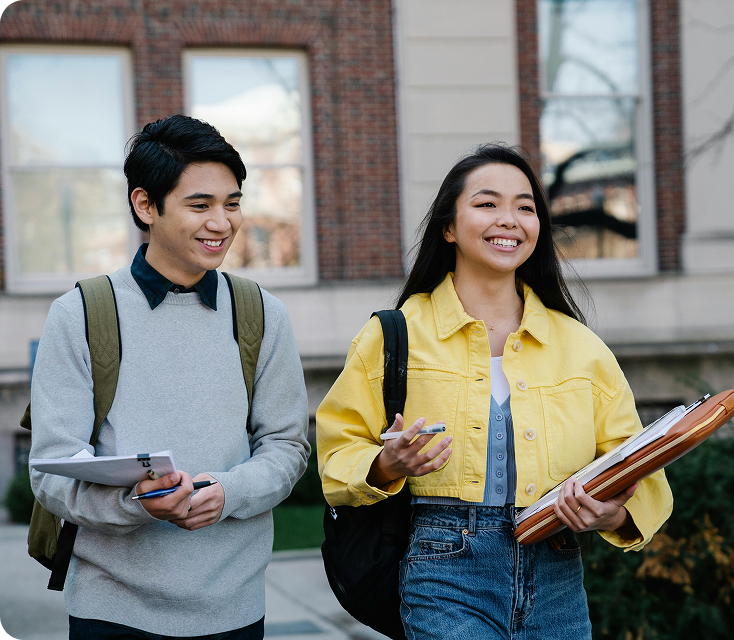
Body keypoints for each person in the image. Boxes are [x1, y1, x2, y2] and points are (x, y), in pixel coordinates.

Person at [316, 144, 672, 639]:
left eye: (525, 207)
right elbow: (337, 453)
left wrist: (612, 513)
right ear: (448, 227)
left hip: (558, 574)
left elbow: (642, 468)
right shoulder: (393, 336)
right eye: (487, 204)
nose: (509, 220)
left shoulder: (581, 347)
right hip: (443, 572)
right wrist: (386, 464)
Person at [29, 115, 310, 639]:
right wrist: (137, 501)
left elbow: (287, 446)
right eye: (200, 205)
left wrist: (226, 492)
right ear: (145, 205)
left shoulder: (262, 313)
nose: (222, 223)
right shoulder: (81, 313)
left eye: (232, 203)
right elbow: (52, 472)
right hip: (110, 611)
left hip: (235, 608)